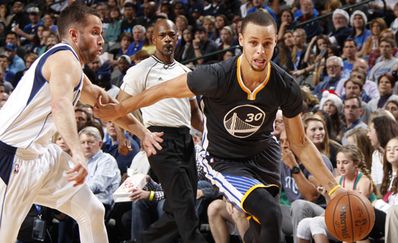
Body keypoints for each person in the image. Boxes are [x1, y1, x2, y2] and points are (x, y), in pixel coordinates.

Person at [96, 10, 343, 243]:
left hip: (264, 154)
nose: (260, 51)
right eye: (253, 43)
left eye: (267, 43)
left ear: (275, 42)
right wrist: (120, 109)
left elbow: (299, 143)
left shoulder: (285, 85)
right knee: (270, 213)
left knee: (262, 227)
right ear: (241, 40)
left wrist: (334, 189)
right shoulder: (216, 75)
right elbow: (163, 90)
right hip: (224, 160)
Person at [0, 2, 162, 242]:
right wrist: (77, 153)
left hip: (42, 155)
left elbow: (108, 107)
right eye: (95, 32)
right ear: (74, 35)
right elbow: (61, 105)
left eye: (102, 34)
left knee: (92, 211)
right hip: (11, 156)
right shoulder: (63, 58)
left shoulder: (76, 72)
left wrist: (142, 133)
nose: (102, 40)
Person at [115, 18, 205, 243]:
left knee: (179, 208)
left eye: (172, 35)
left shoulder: (186, 71)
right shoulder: (141, 70)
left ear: (178, 37)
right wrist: (127, 136)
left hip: (186, 140)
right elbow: (119, 107)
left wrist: (208, 135)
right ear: (153, 39)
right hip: (159, 138)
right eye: (163, 35)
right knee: (184, 204)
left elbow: (195, 114)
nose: (167, 39)